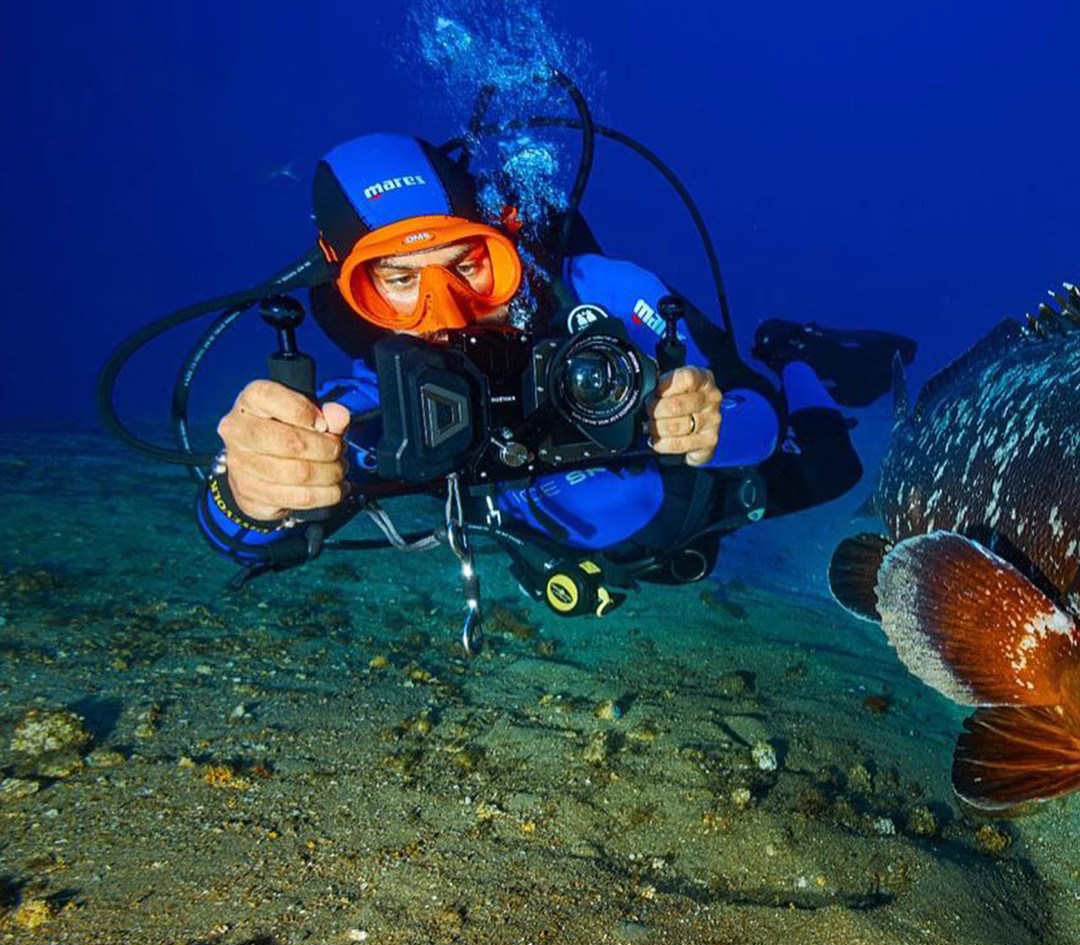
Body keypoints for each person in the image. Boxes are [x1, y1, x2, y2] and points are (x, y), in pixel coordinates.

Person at [197, 132, 864, 610]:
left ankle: (790, 348)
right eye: (398, 280)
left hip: (696, 511)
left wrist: (707, 427)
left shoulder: (605, 292)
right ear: (352, 291)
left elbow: (757, 414)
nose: (446, 309)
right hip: (585, 554)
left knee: (835, 468)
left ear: (502, 238)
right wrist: (253, 492)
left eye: (468, 264)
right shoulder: (378, 395)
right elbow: (245, 530)